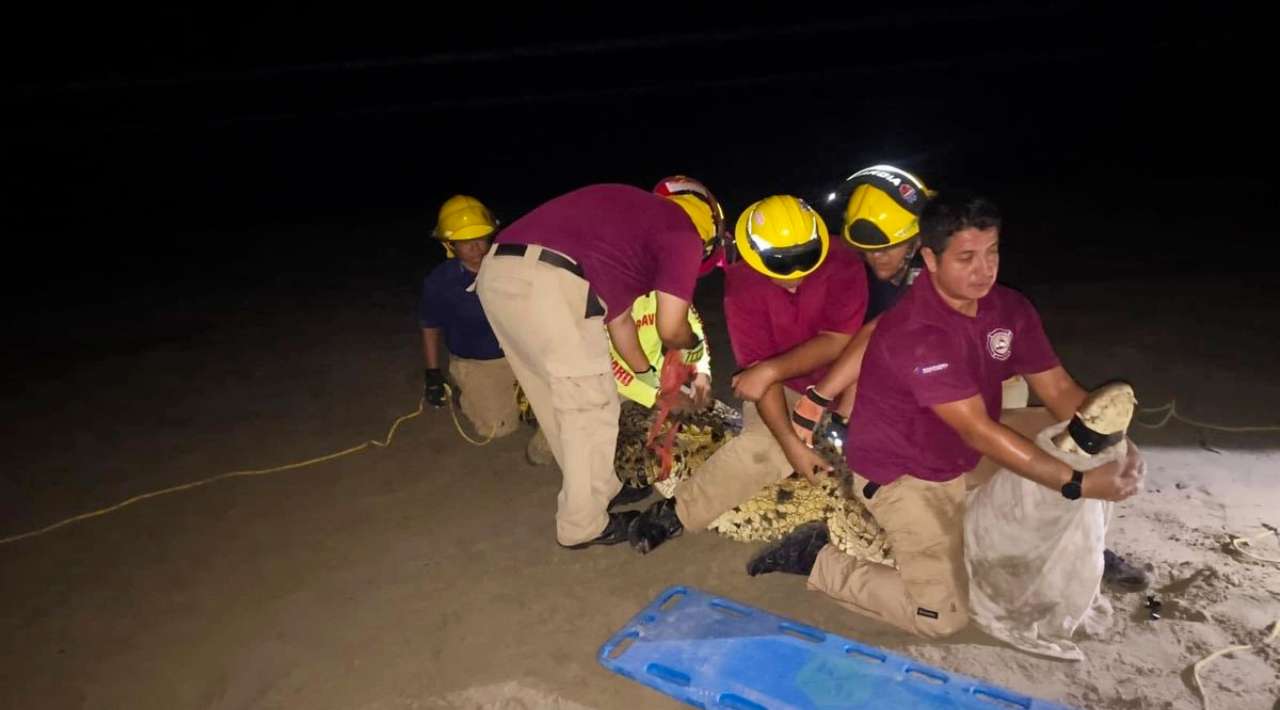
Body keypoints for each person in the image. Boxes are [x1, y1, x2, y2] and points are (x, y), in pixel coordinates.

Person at [752, 191, 1147, 637]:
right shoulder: (917, 331)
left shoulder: (1010, 308)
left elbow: (1057, 389)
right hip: (907, 472)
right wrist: (1077, 483)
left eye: (992, 252)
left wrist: (1114, 445)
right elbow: (977, 430)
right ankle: (819, 558)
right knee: (942, 617)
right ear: (931, 259)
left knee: (1076, 439)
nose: (985, 270)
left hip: (963, 446)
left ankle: (1068, 549)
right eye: (966, 258)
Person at [475, 180, 721, 549]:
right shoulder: (682, 231)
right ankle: (582, 526)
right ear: (709, 234)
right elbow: (672, 329)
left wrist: (651, 382)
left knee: (555, 398)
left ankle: (600, 490)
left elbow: (620, 325)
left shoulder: (625, 233)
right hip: (551, 281)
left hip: (496, 273)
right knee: (592, 407)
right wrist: (692, 348)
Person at [628, 195, 868, 554]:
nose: (795, 280)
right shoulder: (741, 283)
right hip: (785, 388)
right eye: (781, 268)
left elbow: (838, 341)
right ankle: (679, 511)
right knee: (765, 449)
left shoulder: (843, 259)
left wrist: (770, 369)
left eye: (805, 264)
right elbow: (760, 381)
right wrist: (791, 446)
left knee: (880, 451)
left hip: (850, 378)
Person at [420, 195, 520, 440]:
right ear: (449, 244)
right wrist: (432, 373)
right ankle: (461, 390)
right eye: (466, 242)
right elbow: (430, 325)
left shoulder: (510, 267)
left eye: (481, 238)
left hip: (519, 354)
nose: (476, 247)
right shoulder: (441, 282)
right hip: (478, 362)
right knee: (499, 428)